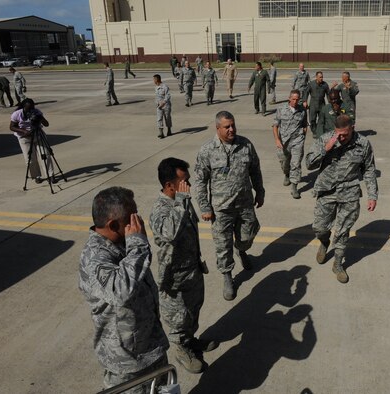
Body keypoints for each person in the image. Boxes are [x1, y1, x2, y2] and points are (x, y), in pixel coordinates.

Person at [79, 187, 170, 393]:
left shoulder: (120, 241)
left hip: (150, 347)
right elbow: (121, 290)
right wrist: (138, 244)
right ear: (112, 225)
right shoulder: (94, 258)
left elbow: (137, 274)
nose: (137, 224)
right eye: (131, 219)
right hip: (127, 363)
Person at [149, 158, 218, 375]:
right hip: (175, 278)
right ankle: (181, 349)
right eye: (184, 181)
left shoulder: (182, 200)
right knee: (179, 318)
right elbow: (169, 232)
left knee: (193, 310)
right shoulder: (160, 209)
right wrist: (181, 200)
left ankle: (190, 341)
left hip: (192, 269)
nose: (189, 184)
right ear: (170, 185)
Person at [194, 111, 265, 301]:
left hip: (245, 204)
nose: (232, 129)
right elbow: (200, 182)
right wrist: (205, 207)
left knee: (249, 235)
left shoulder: (245, 145)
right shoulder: (207, 150)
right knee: (222, 246)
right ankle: (227, 276)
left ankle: (241, 249)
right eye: (227, 127)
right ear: (217, 128)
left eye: (233, 125)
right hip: (221, 208)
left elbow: (255, 170)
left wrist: (260, 191)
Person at [305, 115, 378, 284]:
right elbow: (309, 163)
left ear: (353, 127)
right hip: (326, 190)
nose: (342, 138)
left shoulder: (363, 143)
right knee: (319, 227)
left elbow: (369, 169)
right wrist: (327, 148)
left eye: (345, 134)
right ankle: (324, 241)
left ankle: (338, 264)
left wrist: (372, 195)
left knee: (342, 231)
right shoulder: (325, 139)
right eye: (339, 134)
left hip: (349, 191)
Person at [9, 98, 56, 184]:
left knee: (46, 155)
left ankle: (50, 175)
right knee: (30, 159)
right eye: (28, 108)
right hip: (24, 138)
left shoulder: (37, 112)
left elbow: (46, 124)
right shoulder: (17, 114)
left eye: (32, 108)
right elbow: (12, 127)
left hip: (38, 135)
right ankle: (37, 176)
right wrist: (23, 131)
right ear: (23, 107)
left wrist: (40, 117)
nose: (30, 110)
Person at [272, 89, 307, 199]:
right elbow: (275, 125)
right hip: (283, 141)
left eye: (297, 99)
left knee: (295, 164)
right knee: (284, 162)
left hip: (297, 140)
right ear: (289, 98)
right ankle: (287, 174)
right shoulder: (281, 109)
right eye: (293, 99)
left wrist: (302, 137)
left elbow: (305, 125)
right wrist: (277, 139)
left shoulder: (302, 110)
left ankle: (294, 187)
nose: (295, 102)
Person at [153, 74, 172, 139]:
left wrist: (163, 102)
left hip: (166, 105)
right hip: (159, 106)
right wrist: (157, 104)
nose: (153, 81)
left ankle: (169, 130)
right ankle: (161, 133)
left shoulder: (165, 87)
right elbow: (157, 97)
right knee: (159, 119)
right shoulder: (156, 87)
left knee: (167, 118)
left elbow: (168, 95)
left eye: (154, 79)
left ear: (157, 79)